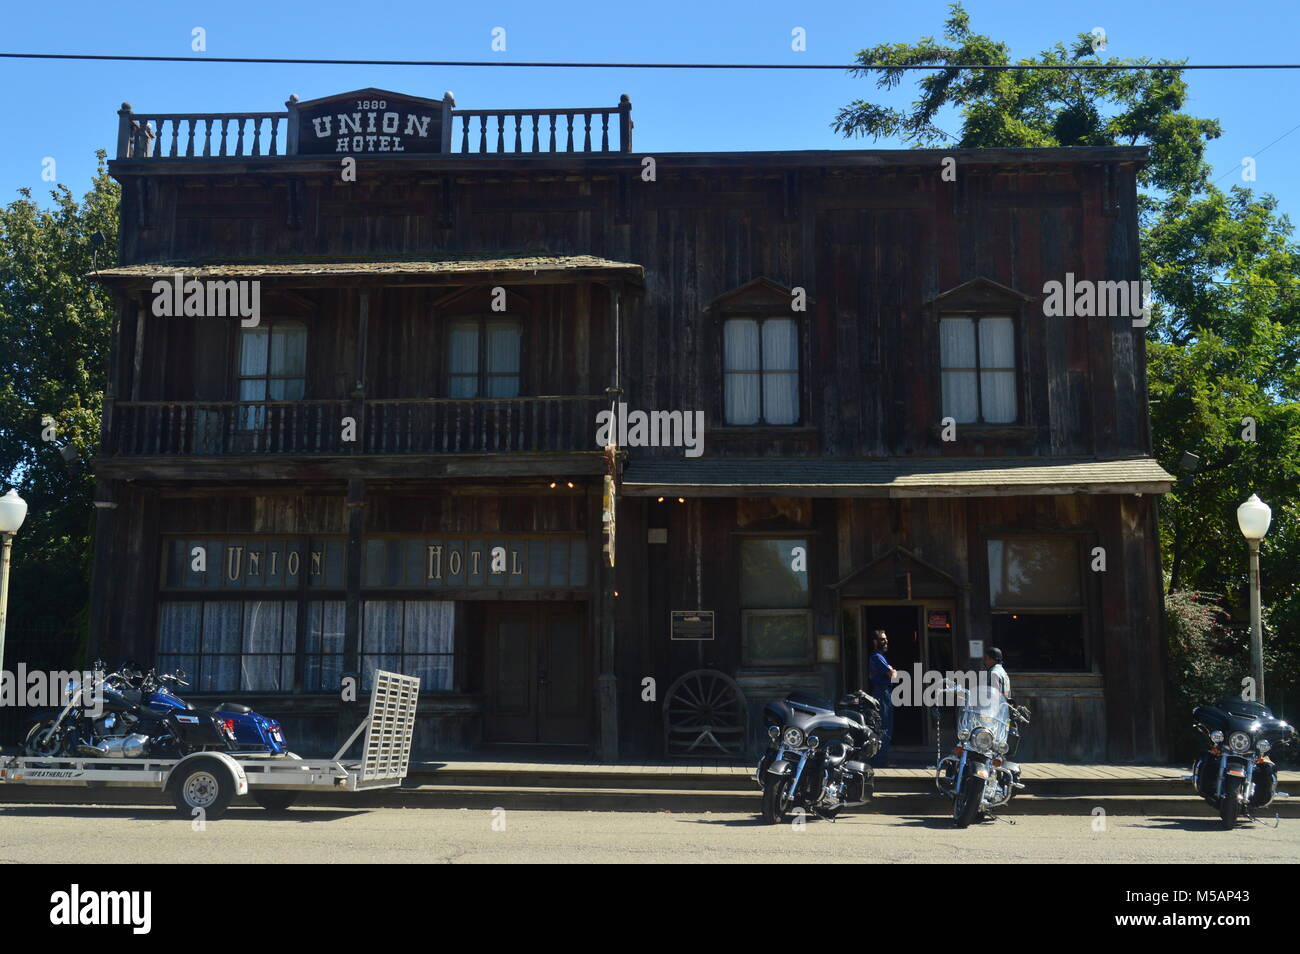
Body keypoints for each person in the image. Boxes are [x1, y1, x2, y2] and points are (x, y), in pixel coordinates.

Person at [867, 630, 896, 767]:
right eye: (882, 639)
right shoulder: (877, 656)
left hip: (883, 692)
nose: (885, 642)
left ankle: (880, 759)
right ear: (875, 642)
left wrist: (891, 671)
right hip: (881, 693)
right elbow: (892, 674)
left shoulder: (879, 656)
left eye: (886, 639)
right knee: (884, 726)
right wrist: (891, 670)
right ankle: (881, 760)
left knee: (884, 725)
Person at [983, 647, 1018, 758]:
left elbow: (993, 695)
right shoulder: (1003, 672)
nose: (985, 661)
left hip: (995, 713)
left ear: (991, 659)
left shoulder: (994, 673)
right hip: (1003, 713)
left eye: (986, 658)